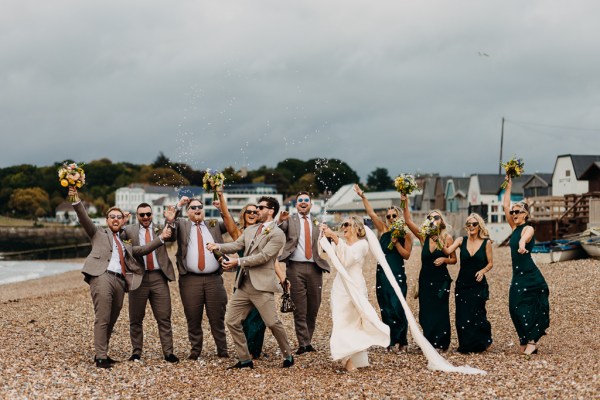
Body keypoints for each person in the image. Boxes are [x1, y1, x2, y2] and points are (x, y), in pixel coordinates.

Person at [68, 187, 171, 368]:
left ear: (122, 220)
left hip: (120, 281)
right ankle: (100, 357)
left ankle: (103, 352)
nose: (115, 220)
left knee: (112, 318)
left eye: (118, 217)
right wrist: (75, 197)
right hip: (102, 276)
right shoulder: (98, 233)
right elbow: (83, 216)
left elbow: (141, 250)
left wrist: (160, 239)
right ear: (106, 220)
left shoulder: (125, 241)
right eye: (112, 217)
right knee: (103, 318)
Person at [207, 196, 294, 369]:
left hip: (262, 286)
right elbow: (237, 245)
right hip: (244, 285)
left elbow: (263, 257)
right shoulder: (251, 229)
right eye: (256, 208)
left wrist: (237, 262)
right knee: (231, 321)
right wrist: (218, 246)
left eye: (260, 208)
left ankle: (288, 355)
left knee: (272, 323)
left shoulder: (278, 234)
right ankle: (245, 359)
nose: (256, 210)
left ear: (271, 211)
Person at [319, 217, 390, 372]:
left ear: (357, 228)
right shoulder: (342, 243)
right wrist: (325, 237)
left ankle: (354, 358)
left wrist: (335, 238)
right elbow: (326, 254)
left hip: (355, 286)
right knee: (341, 320)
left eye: (347, 224)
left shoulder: (362, 245)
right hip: (340, 287)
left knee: (355, 321)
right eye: (342, 224)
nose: (343, 227)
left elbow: (348, 260)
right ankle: (347, 358)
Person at [167, 196, 229, 360]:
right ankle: (195, 351)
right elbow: (170, 230)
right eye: (193, 207)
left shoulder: (213, 224)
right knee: (193, 316)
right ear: (187, 212)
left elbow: (231, 227)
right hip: (190, 280)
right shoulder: (182, 224)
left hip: (214, 279)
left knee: (217, 316)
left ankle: (222, 350)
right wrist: (178, 204)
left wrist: (222, 209)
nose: (196, 209)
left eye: (199, 207)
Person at [353, 184, 412, 351]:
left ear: (399, 217)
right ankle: (390, 340)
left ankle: (402, 340)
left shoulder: (404, 233)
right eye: (389, 216)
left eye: (394, 216)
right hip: (382, 273)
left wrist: (396, 244)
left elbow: (407, 255)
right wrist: (363, 196)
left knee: (398, 304)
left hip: (397, 271)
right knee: (385, 305)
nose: (391, 218)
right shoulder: (384, 230)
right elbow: (371, 214)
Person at [121, 203, 179, 363]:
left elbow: (173, 236)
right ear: (137, 216)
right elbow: (133, 250)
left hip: (159, 277)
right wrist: (121, 224)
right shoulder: (129, 231)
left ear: (152, 214)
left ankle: (168, 353)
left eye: (148, 214)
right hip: (138, 277)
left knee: (164, 317)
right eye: (142, 215)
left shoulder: (161, 227)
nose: (145, 217)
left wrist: (171, 221)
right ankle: (136, 353)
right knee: (135, 318)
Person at [278, 191, 330, 355]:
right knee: (300, 308)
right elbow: (278, 230)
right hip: (295, 268)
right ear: (296, 204)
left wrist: (328, 233)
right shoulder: (290, 220)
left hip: (315, 268)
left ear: (311, 203)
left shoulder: (317, 221)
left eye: (306, 200)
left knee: (314, 307)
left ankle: (308, 339)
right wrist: (280, 220)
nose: (303, 202)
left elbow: (325, 243)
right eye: (300, 200)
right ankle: (304, 344)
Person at [402, 195, 456, 351]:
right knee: (425, 311)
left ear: (442, 221)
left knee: (440, 310)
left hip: (441, 279)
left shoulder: (447, 238)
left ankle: (441, 343)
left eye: (436, 217)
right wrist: (404, 200)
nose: (433, 219)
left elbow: (454, 259)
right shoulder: (423, 237)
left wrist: (444, 260)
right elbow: (408, 220)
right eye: (430, 217)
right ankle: (428, 341)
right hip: (425, 278)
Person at [503, 176, 550, 355]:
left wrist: (522, 245)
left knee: (530, 305)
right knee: (514, 306)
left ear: (526, 214)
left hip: (530, 274)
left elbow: (525, 237)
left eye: (518, 212)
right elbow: (505, 206)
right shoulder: (514, 228)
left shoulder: (527, 228)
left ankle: (532, 340)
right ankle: (524, 338)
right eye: (513, 212)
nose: (514, 214)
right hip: (517, 274)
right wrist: (509, 186)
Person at [442, 213, 493, 353]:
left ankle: (481, 342)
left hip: (478, 283)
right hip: (463, 283)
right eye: (468, 224)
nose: (471, 226)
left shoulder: (486, 242)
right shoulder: (460, 240)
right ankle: (465, 345)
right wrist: (437, 238)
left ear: (479, 226)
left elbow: (490, 263)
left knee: (478, 314)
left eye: (474, 224)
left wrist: (483, 271)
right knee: (462, 316)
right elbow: (447, 250)